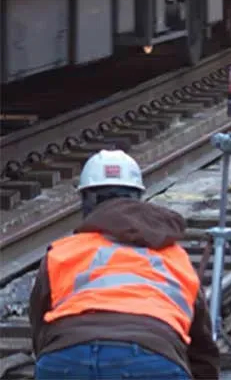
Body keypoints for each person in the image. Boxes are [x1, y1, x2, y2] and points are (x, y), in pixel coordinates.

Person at [29, 149, 220, 379]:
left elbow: (40, 328)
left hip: (64, 358)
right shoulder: (173, 256)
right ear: (138, 197)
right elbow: (201, 347)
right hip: (151, 360)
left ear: (86, 202)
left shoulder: (63, 251)